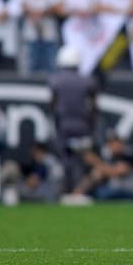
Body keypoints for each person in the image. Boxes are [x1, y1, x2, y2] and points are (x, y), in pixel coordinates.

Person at [48, 45, 98, 193]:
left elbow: (52, 105)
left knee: (65, 160)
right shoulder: (87, 81)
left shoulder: (55, 80)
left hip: (64, 125)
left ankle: (66, 189)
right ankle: (80, 190)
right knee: (84, 159)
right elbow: (94, 107)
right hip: (83, 125)